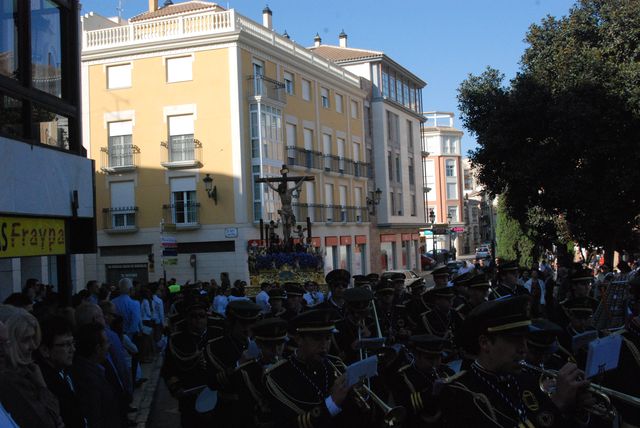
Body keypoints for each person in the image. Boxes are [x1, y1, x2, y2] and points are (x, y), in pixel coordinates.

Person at [440, 295, 593, 427]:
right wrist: (557, 404)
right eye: (514, 340)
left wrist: (576, 410)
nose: (524, 349)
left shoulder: (526, 378)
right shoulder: (460, 392)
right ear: (485, 343)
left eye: (525, 339)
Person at [264, 309, 357, 428]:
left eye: (328, 338)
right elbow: (290, 423)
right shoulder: (277, 376)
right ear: (299, 339)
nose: (324, 345)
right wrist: (331, 403)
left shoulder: (335, 363)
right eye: (317, 339)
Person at [161, 293, 221, 428]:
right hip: (189, 400)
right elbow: (168, 369)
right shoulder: (177, 341)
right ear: (187, 318)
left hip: (216, 398)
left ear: (207, 317)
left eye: (201, 316)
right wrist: (176, 388)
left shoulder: (217, 336)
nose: (198, 320)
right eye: (193, 316)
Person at [0, 304, 63, 428]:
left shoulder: (28, 372)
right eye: (26, 339)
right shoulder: (10, 380)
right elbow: (47, 422)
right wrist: (42, 388)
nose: (33, 346)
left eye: (34, 338)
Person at [205, 300, 262, 428]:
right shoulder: (215, 346)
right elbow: (212, 382)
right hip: (229, 412)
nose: (247, 328)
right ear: (231, 322)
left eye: (251, 322)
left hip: (255, 411)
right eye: (242, 323)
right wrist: (239, 363)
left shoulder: (260, 344)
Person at [229, 318, 288, 428]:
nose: (276, 350)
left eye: (280, 344)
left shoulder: (290, 366)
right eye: (269, 345)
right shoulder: (245, 373)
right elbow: (244, 412)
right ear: (259, 344)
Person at [391, 334, 454, 427]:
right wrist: (432, 392)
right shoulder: (403, 376)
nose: (435, 363)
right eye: (430, 358)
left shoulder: (446, 371)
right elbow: (405, 408)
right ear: (416, 355)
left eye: (438, 357)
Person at [36, 315, 86, 428]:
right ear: (45, 350)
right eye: (66, 345)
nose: (73, 349)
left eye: (73, 343)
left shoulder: (68, 370)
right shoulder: (43, 383)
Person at [72, 322, 124, 428]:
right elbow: (95, 418)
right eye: (106, 342)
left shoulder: (93, 369)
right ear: (97, 349)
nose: (109, 345)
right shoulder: (89, 380)